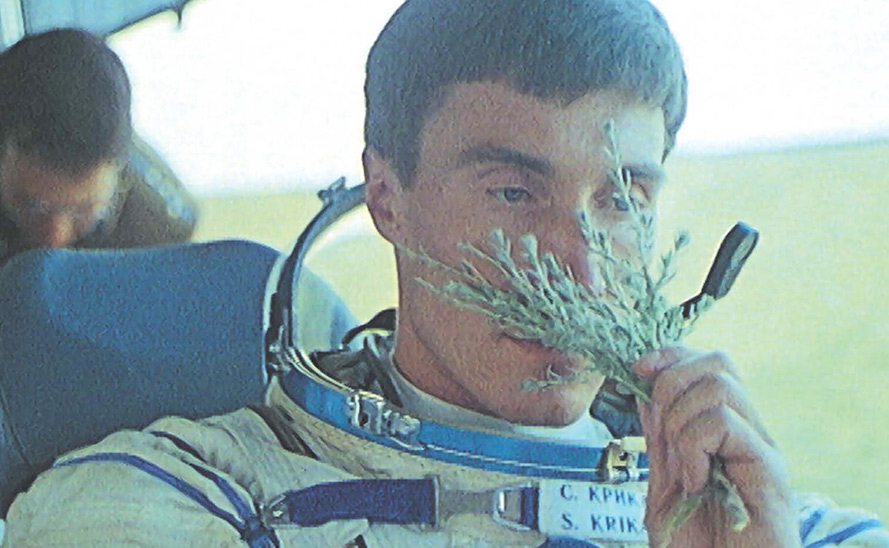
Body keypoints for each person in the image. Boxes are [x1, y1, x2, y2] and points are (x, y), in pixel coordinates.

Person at [2, 2, 887, 547]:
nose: (579, 272)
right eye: (513, 192)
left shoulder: (769, 527)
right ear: (387, 197)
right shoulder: (185, 502)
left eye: (623, 200)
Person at [0, 29, 197, 267]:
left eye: (83, 211)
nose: (55, 239)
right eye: (33, 207)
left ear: (118, 176)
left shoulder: (157, 229)